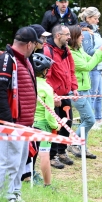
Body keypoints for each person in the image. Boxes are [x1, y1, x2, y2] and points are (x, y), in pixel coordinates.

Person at [0, 26, 41, 202]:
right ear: (30, 44)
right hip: (12, 124)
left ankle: (14, 194)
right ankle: (5, 195)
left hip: (24, 124)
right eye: (35, 44)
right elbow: (1, 90)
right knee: (8, 162)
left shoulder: (25, 60)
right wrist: (8, 121)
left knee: (20, 162)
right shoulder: (7, 59)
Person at [66, 25, 102, 159]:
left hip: (86, 89)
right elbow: (87, 67)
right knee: (90, 120)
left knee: (86, 119)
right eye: (80, 35)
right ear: (74, 37)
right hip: (77, 91)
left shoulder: (79, 49)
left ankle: (83, 148)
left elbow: (91, 60)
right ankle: (73, 142)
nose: (83, 37)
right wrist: (98, 53)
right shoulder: (71, 54)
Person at [44, 24, 79, 169]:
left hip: (66, 94)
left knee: (67, 122)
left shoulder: (67, 50)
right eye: (67, 35)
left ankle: (62, 151)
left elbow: (71, 70)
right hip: (53, 95)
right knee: (55, 125)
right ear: (58, 35)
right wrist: (52, 95)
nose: (70, 37)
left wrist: (74, 88)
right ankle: (52, 156)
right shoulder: (47, 51)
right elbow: (46, 76)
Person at [21, 24, 52, 185]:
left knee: (31, 144)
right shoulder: (26, 56)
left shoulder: (37, 54)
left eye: (46, 38)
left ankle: (28, 173)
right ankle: (25, 175)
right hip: (25, 109)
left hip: (34, 107)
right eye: (42, 38)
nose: (45, 40)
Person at [79, 7, 102, 125]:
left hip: (99, 66)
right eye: (95, 19)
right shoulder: (85, 32)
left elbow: (97, 47)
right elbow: (89, 51)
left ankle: (98, 119)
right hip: (93, 66)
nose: (97, 21)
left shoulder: (94, 31)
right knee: (92, 95)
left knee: (99, 95)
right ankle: (90, 121)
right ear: (88, 19)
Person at [33, 53, 61, 187]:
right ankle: (47, 184)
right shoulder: (47, 88)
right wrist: (56, 126)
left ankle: (27, 178)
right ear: (45, 71)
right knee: (44, 154)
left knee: (28, 154)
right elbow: (50, 113)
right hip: (43, 124)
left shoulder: (26, 84)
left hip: (28, 123)